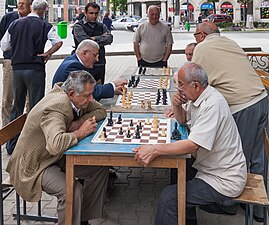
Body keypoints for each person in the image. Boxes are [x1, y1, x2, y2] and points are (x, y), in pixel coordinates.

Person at [133, 62, 247, 225]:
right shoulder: (200, 96)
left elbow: (193, 145)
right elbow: (182, 119)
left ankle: (180, 211)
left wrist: (154, 149)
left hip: (224, 178)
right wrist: (177, 104)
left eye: (181, 84)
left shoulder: (213, 105)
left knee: (169, 198)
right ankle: (187, 220)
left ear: (195, 85)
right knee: (176, 167)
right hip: (211, 166)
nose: (178, 88)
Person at [6, 70, 109, 225]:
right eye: (87, 96)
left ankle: (81, 218)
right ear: (72, 93)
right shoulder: (57, 106)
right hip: (34, 165)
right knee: (72, 191)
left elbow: (101, 110)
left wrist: (80, 121)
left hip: (52, 157)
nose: (91, 99)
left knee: (98, 168)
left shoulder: (73, 97)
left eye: (91, 94)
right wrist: (80, 132)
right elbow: (56, 145)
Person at [192, 21, 268, 222]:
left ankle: (228, 204)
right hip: (262, 98)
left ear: (201, 35)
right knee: (258, 157)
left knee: (237, 156)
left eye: (195, 35)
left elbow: (198, 81)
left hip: (242, 105)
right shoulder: (230, 42)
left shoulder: (202, 47)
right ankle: (259, 211)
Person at [0, 0, 63, 154]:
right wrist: (48, 53)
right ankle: (31, 145)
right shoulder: (44, 25)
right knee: (35, 107)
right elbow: (58, 41)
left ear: (32, 8)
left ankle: (11, 145)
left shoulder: (15, 24)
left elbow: (4, 45)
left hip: (17, 69)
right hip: (35, 69)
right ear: (43, 11)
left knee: (17, 107)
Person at [52, 39, 128, 101]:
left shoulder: (73, 60)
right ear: (84, 53)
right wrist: (113, 84)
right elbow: (89, 91)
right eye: (95, 55)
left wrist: (113, 90)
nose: (97, 59)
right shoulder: (73, 66)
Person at [0, 0, 31, 127]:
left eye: (24, 3)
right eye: (19, 3)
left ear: (31, 5)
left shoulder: (34, 19)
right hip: (11, 62)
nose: (21, 5)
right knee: (8, 98)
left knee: (30, 99)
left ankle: (28, 130)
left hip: (30, 63)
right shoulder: (8, 18)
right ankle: (6, 131)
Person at [72, 2, 113, 84]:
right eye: (91, 13)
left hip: (99, 63)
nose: (94, 16)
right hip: (83, 64)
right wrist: (101, 38)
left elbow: (109, 38)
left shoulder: (101, 26)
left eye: (96, 13)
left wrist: (94, 38)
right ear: (85, 13)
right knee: (83, 90)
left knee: (99, 89)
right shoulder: (78, 26)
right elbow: (85, 42)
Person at [164, 42, 197, 118]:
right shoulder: (186, 64)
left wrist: (178, 108)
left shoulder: (198, 68)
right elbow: (176, 74)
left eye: (191, 54)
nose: (188, 57)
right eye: (186, 54)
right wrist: (178, 81)